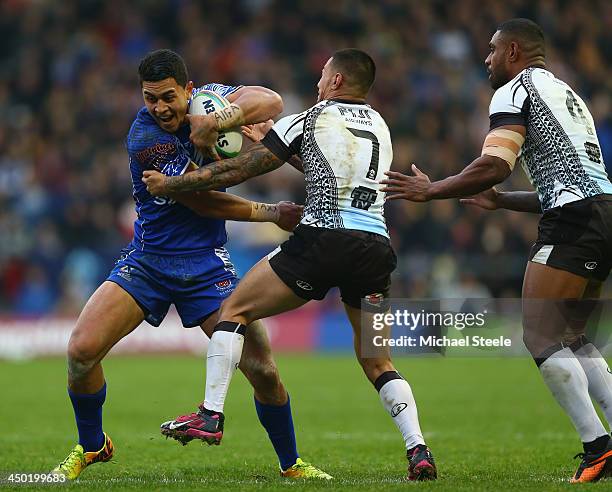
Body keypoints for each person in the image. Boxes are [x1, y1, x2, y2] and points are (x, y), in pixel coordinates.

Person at [143, 48, 437, 482]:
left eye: (323, 75)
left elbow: (236, 171)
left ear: (336, 81)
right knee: (377, 358)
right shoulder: (379, 125)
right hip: (374, 249)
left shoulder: (312, 116)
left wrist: (173, 183)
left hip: (322, 241)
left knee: (234, 310)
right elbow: (322, 166)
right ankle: (418, 450)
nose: (319, 82)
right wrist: (273, 138)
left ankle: (210, 414)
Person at [52, 49, 331, 481]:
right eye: (150, 98)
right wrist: (272, 213)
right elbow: (200, 198)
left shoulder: (211, 101)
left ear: (188, 90)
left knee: (263, 370)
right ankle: (93, 446)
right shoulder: (145, 138)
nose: (159, 108)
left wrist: (222, 119)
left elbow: (271, 102)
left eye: (167, 97)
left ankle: (291, 463)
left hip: (205, 265)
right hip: (149, 261)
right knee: (80, 352)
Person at [379, 19, 612, 483]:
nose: (485, 59)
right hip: (603, 212)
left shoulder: (513, 91)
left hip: (574, 221)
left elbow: (494, 164)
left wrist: (433, 190)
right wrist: (502, 201)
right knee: (574, 337)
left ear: (513, 52)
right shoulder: (568, 95)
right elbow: (568, 180)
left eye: (491, 50)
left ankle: (598, 448)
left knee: (542, 337)